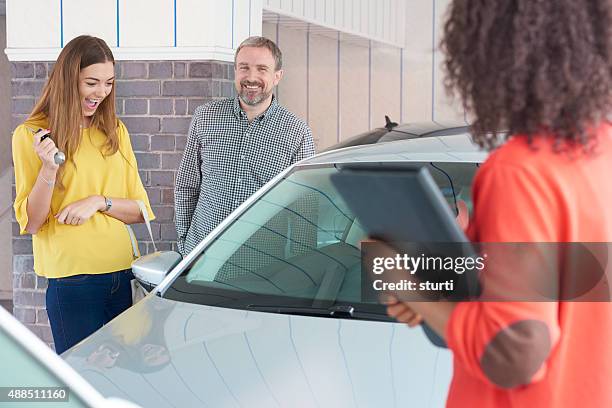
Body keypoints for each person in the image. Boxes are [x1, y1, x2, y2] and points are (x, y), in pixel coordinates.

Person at [384, 1, 612, 407]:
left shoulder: (521, 172)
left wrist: (412, 290)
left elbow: (516, 350)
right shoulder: (600, 153)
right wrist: (446, 280)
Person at [12, 35, 155, 354]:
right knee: (84, 379)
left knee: (127, 376)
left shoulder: (114, 131)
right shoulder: (31, 136)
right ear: (68, 79)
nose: (101, 93)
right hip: (73, 282)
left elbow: (140, 210)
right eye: (91, 82)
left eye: (108, 83)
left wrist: (98, 202)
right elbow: (33, 222)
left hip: (122, 273)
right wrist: (49, 169)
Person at [175, 36, 315, 256]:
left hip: (260, 266)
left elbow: (304, 210)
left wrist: (297, 266)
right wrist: (184, 243)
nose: (251, 77)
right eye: (244, 68)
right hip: (201, 259)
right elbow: (187, 185)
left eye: (262, 69)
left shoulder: (296, 132)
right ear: (235, 71)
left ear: (277, 76)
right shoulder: (206, 117)